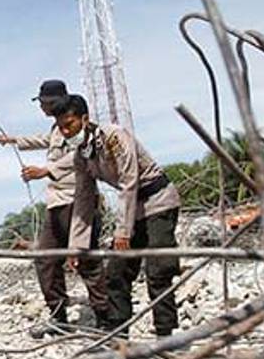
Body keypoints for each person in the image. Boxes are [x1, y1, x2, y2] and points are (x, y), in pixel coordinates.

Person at [55, 94, 182, 338]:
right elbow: (83, 199)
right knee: (116, 272)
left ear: (84, 119)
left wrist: (123, 230)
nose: (66, 132)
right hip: (132, 210)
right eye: (61, 128)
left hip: (157, 202)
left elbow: (128, 181)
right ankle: (119, 334)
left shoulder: (114, 136)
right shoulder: (81, 155)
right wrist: (76, 246)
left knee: (158, 270)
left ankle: (166, 336)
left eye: (69, 124)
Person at [0, 80, 106, 338]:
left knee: (86, 260)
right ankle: (59, 319)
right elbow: (44, 140)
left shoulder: (81, 125)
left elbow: (83, 151)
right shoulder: (57, 128)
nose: (42, 107)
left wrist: (47, 170)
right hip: (56, 203)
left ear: (58, 100)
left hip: (79, 201)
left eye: (45, 102)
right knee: (45, 258)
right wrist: (15, 140)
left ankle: (106, 320)